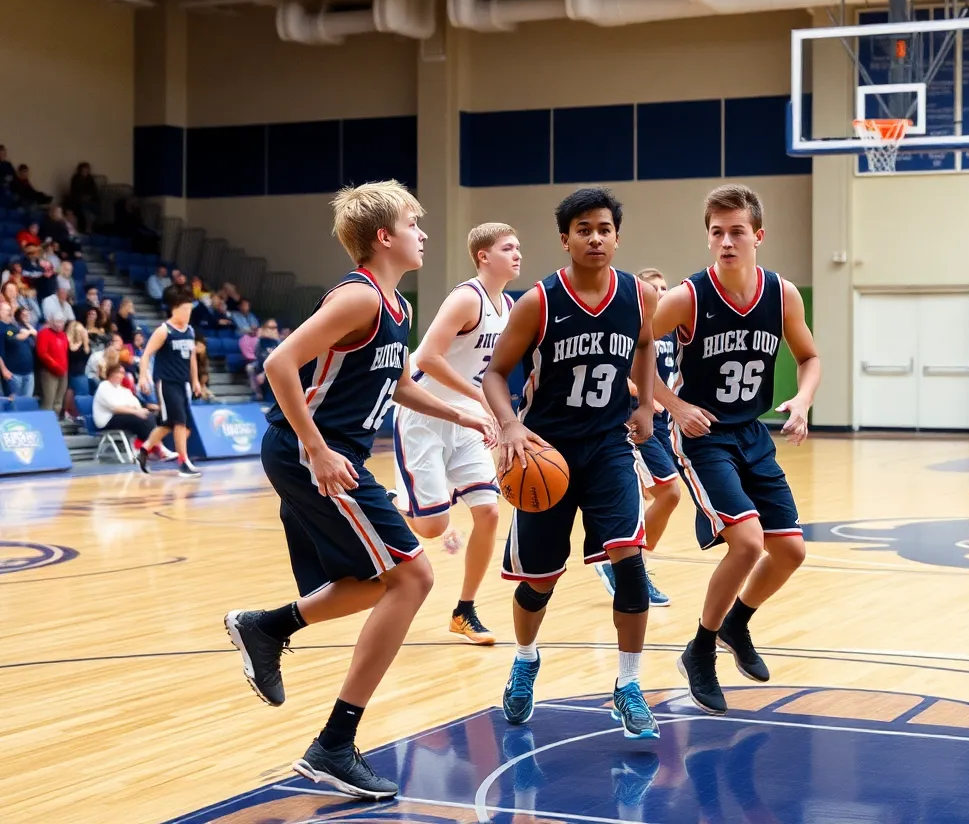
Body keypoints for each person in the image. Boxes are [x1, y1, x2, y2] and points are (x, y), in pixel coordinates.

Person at [222, 180, 492, 800]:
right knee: (414, 577)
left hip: (331, 454)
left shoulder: (395, 307)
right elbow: (278, 364)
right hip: (311, 452)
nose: (423, 232)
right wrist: (315, 449)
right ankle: (333, 746)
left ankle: (267, 627)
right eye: (413, 223)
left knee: (378, 583)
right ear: (383, 237)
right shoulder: (358, 298)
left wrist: (463, 414)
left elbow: (394, 384)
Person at [481, 187, 660, 739]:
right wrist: (510, 425)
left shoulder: (636, 294)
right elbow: (495, 372)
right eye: (583, 229)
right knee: (538, 583)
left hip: (608, 447)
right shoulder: (538, 301)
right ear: (565, 239)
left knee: (631, 565)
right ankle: (526, 658)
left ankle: (628, 685)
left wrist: (648, 404)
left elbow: (646, 346)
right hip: (546, 452)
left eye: (604, 228)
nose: (595, 237)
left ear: (617, 236)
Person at [651, 184, 821, 716]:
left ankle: (736, 623)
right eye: (717, 233)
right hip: (703, 436)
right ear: (708, 238)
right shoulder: (685, 297)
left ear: (758, 236)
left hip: (752, 433)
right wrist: (672, 404)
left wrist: (802, 400)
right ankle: (699, 650)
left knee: (790, 550)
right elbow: (630, 350)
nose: (726, 242)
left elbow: (810, 356)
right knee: (747, 542)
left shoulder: (782, 294)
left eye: (737, 232)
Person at [392, 222, 520, 646]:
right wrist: (478, 400)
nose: (518, 253)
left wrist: (497, 413)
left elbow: (486, 372)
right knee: (432, 528)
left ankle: (464, 611)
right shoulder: (467, 297)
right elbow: (427, 356)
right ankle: (394, 504)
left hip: (466, 414)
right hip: (424, 412)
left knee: (488, 512)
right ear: (484, 256)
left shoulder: (507, 305)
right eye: (508, 247)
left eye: (517, 247)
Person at [593, 267, 679, 607]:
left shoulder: (671, 331)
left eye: (665, 287)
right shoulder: (628, 328)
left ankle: (623, 560)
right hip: (633, 419)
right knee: (669, 493)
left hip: (663, 424)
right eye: (653, 288)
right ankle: (627, 567)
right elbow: (614, 370)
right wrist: (645, 395)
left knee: (652, 495)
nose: (660, 292)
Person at [137, 285, 203, 477]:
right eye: (186, 309)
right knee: (180, 423)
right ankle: (183, 462)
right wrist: (142, 376)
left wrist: (196, 381)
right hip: (166, 383)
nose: (189, 313)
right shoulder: (164, 330)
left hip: (183, 383)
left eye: (190, 310)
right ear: (175, 309)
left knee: (173, 425)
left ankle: (144, 449)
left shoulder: (190, 331)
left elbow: (192, 358)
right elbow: (146, 355)